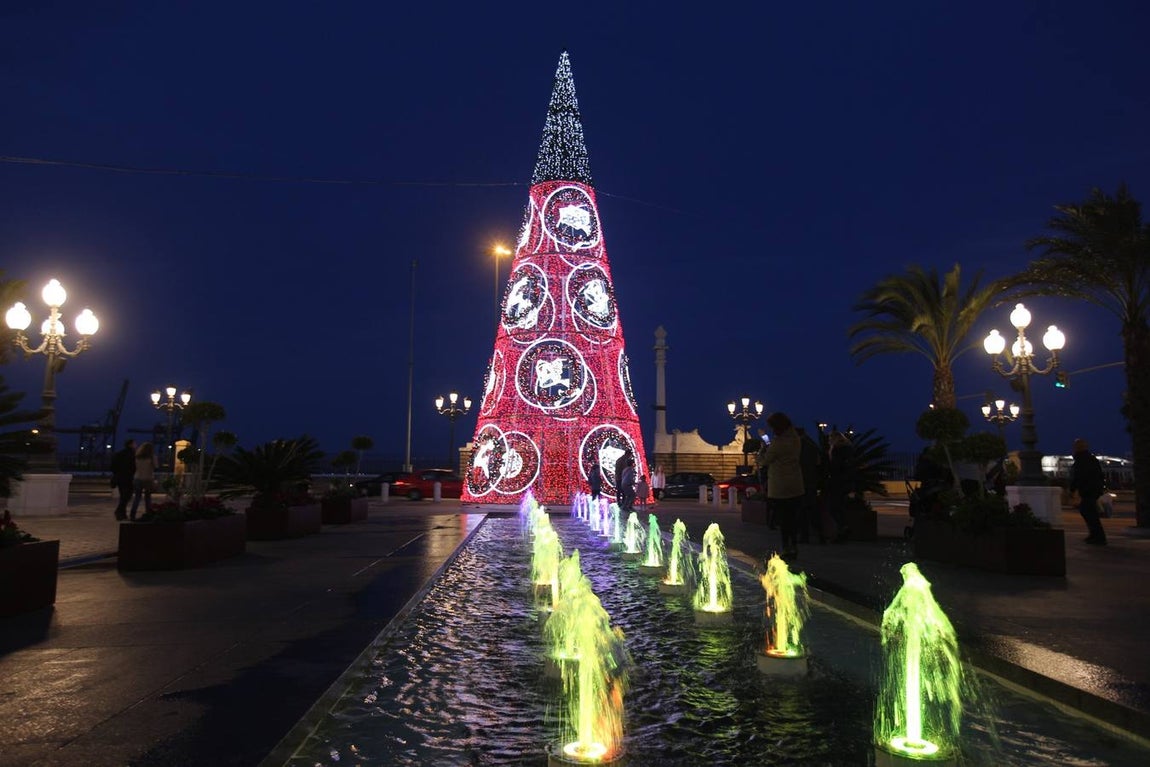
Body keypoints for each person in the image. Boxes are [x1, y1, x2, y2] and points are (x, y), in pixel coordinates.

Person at [762, 412, 804, 559]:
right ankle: (794, 546)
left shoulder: (778, 443)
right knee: (792, 519)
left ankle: (786, 548)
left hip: (780, 486)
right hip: (796, 484)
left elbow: (765, 460)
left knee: (784, 520)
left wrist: (762, 450)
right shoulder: (795, 439)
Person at [1069, 438, 1107, 545]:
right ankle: (1095, 535)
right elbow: (1099, 475)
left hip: (1088, 490)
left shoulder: (1081, 460)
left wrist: (1072, 489)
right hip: (1093, 490)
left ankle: (1098, 536)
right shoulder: (1091, 459)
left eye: (1075, 447)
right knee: (1089, 512)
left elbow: (1078, 476)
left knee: (1089, 513)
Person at [825, 431, 855, 541]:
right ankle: (842, 530)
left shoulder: (837, 451)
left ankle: (842, 529)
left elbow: (835, 467)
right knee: (840, 508)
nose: (828, 441)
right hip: (846, 483)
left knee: (834, 508)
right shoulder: (848, 450)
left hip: (837, 483)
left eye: (830, 439)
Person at [796, 427, 822, 544]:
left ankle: (804, 536)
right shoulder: (812, 444)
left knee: (802, 510)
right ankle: (820, 535)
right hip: (811, 480)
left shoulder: (801, 445)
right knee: (812, 508)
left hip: (802, 481)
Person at [129, 441, 158, 521]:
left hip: (137, 478)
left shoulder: (137, 457)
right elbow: (156, 466)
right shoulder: (152, 457)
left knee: (137, 497)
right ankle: (148, 513)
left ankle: (132, 514)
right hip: (148, 478)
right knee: (147, 497)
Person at [110, 439, 136, 521]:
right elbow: (133, 467)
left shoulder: (119, 454)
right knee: (127, 496)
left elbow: (113, 466)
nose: (135, 445)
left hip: (119, 478)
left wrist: (116, 473)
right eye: (134, 444)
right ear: (130, 444)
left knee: (123, 496)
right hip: (128, 478)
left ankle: (122, 514)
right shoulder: (133, 454)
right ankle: (119, 511)